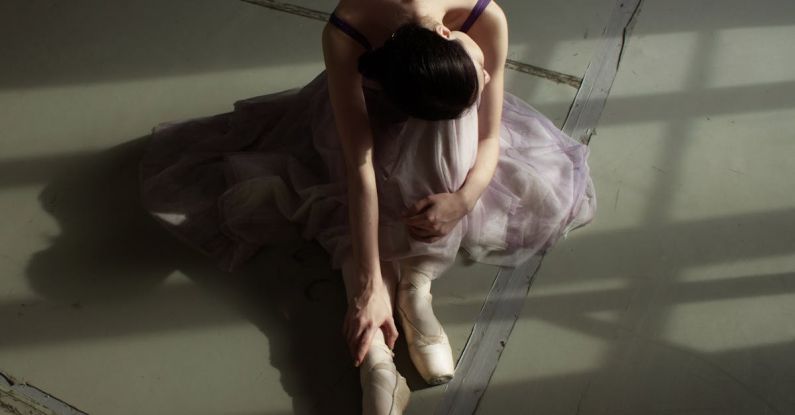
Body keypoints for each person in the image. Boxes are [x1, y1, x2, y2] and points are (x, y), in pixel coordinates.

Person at [139, 0, 596, 413]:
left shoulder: (482, 16)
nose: (491, 76)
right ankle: (375, 353)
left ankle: (416, 284)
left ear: (443, 33)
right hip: (361, 122)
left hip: (445, 112)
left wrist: (464, 199)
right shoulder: (347, 31)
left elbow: (489, 135)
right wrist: (367, 288)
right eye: (484, 72)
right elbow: (359, 169)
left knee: (446, 140)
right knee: (354, 190)